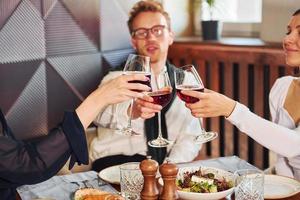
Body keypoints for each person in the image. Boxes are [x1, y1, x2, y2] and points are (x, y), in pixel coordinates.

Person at [182, 9, 300, 180]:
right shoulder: (281, 88)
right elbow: (282, 159)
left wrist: (232, 109)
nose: (287, 39)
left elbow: (294, 145)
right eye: (289, 31)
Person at [90, 0, 201, 171]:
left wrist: (170, 168)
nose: (150, 37)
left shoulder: (187, 82)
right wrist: (131, 112)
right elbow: (97, 115)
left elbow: (191, 137)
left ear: (170, 35)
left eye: (157, 30)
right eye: (141, 32)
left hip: (167, 168)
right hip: (115, 166)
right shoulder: (116, 78)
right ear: (133, 41)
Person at [0, 74, 150, 200]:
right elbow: (26, 164)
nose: (151, 38)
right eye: (142, 35)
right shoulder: (115, 77)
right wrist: (100, 98)